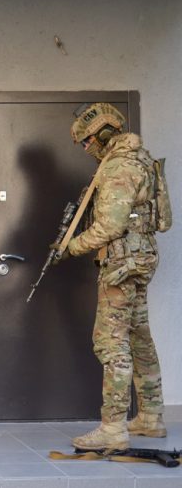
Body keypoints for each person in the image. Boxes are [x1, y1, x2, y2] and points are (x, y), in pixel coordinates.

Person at [63, 103, 171, 450]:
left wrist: (73, 246)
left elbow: (111, 225)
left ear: (104, 134)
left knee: (111, 343)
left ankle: (113, 427)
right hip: (141, 260)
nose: (86, 148)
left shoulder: (118, 167)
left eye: (87, 141)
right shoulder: (141, 160)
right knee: (139, 337)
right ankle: (151, 417)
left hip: (122, 264)